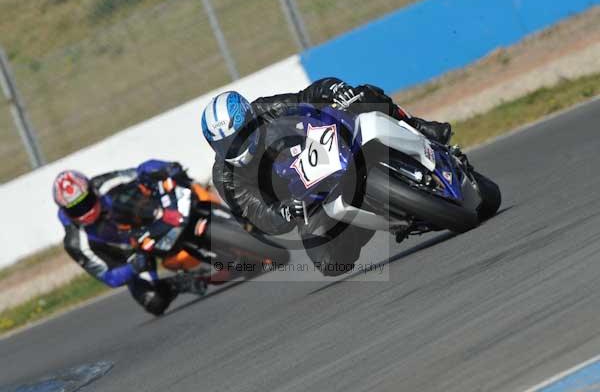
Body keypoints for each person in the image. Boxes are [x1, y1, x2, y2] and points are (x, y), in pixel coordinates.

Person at [201, 78, 452, 276]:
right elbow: (256, 214)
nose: (235, 147)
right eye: (225, 145)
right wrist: (285, 212)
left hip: (323, 150)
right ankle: (367, 218)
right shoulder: (225, 176)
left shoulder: (266, 109)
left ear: (249, 118)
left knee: (361, 96)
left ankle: (419, 127)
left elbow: (305, 97)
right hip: (304, 200)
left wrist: (333, 88)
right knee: (330, 264)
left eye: (239, 135)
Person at [53, 160, 202, 315]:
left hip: (151, 218)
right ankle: (176, 284)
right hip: (135, 253)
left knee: (175, 178)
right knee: (154, 302)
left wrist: (165, 168)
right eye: (75, 209)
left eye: (86, 201)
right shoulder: (76, 241)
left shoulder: (106, 184)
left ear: (92, 190)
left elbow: (141, 171)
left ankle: (208, 199)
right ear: (65, 211)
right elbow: (109, 276)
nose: (85, 209)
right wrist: (134, 265)